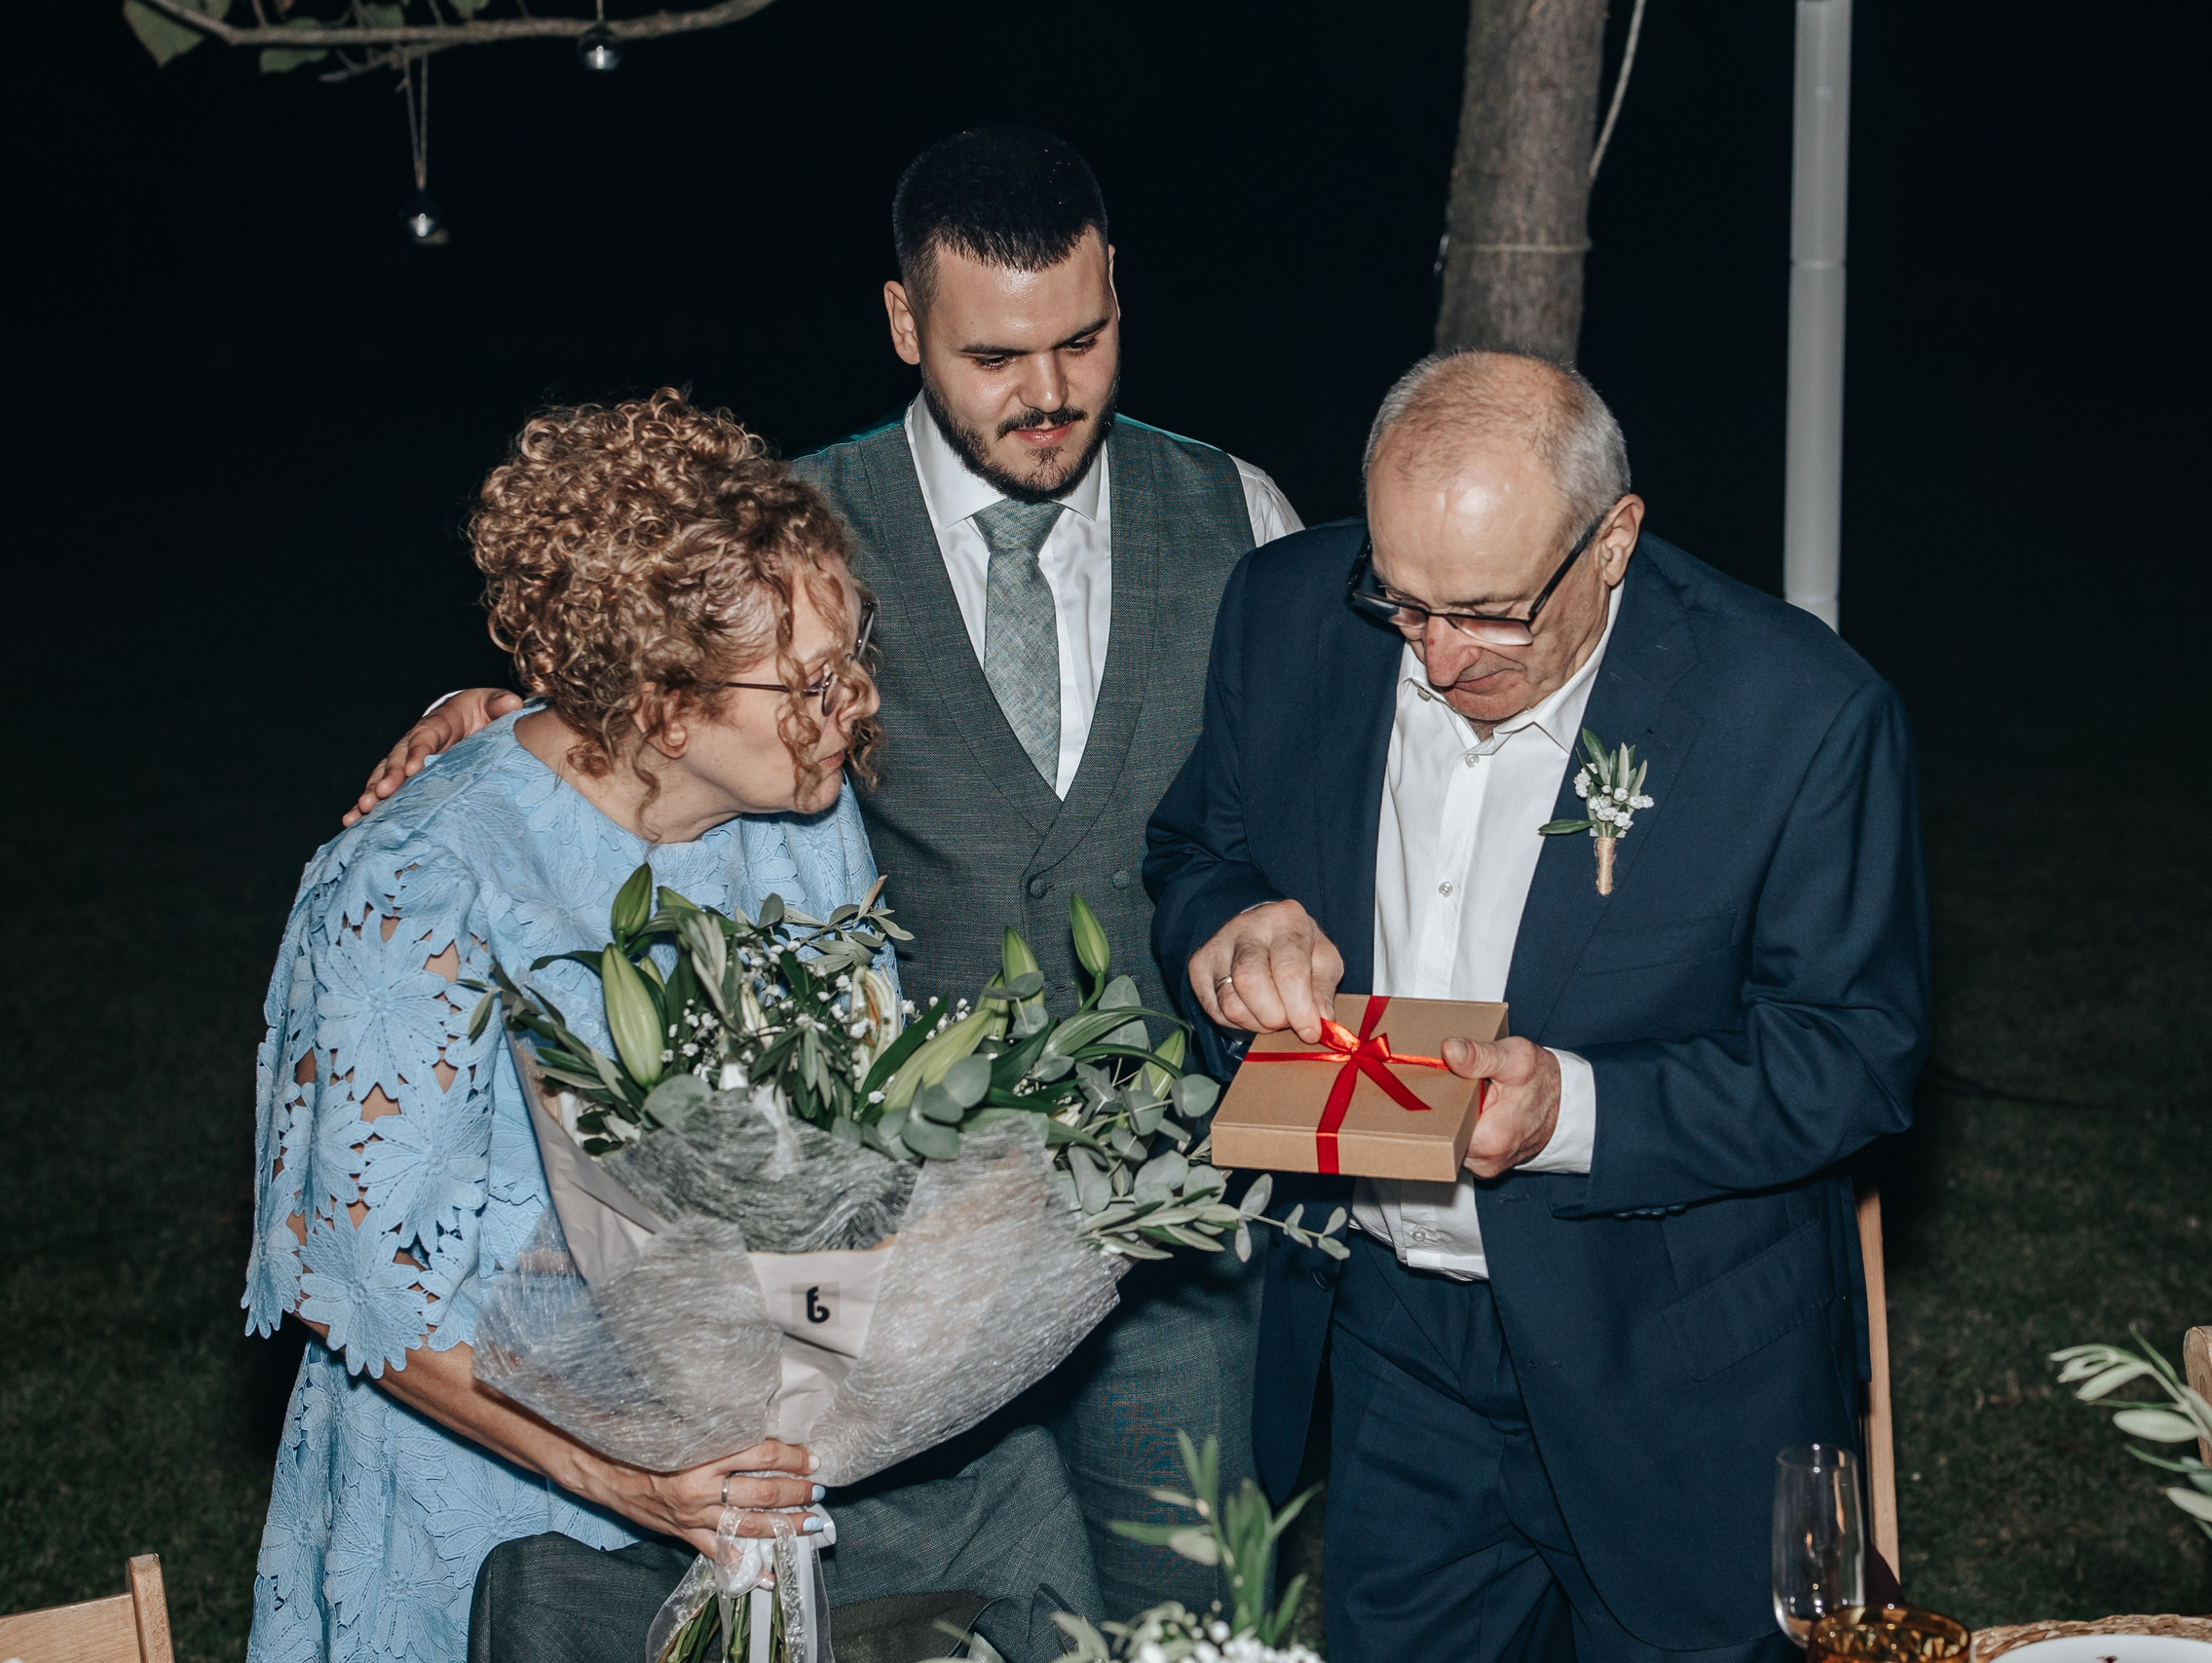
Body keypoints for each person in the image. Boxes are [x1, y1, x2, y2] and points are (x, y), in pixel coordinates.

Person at [348, 130, 1302, 1618]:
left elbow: (1295, 821)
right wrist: (474, 717)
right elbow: (629, 733)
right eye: (996, 355)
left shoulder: (1241, 519)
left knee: (1186, 1618)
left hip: (1169, 1256)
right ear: (904, 324)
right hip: (866, 1293)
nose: (1049, 394)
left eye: (1086, 339)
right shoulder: (787, 537)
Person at [244, 390, 1099, 1663]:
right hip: (485, 1489)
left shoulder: (799, 823)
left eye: (852, 656)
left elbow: (843, 1160)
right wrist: (628, 1485)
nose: (851, 703)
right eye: (806, 682)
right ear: (661, 705)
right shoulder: (419, 879)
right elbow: (345, 1278)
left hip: (729, 1480)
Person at [1145, 351, 1930, 1663]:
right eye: (1405, 603)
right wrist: (1228, 931)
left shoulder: (1797, 716)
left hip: (1676, 1366)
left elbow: (1854, 1056)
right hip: (1394, 1347)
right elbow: (1196, 848)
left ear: (1613, 539)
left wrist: (1574, 1106)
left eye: (1494, 613)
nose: (1442, 659)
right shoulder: (1286, 613)